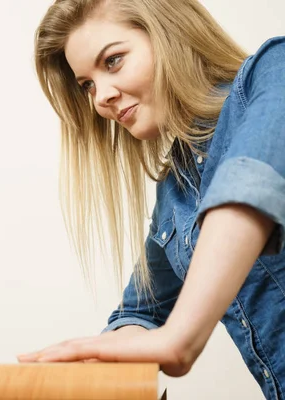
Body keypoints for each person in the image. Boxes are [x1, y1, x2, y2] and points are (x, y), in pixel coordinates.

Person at [17, 0, 285, 398]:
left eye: (113, 61)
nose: (100, 98)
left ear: (170, 33)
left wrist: (179, 337)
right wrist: (106, 358)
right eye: (87, 84)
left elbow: (251, 182)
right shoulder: (174, 192)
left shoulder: (274, 69)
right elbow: (139, 312)